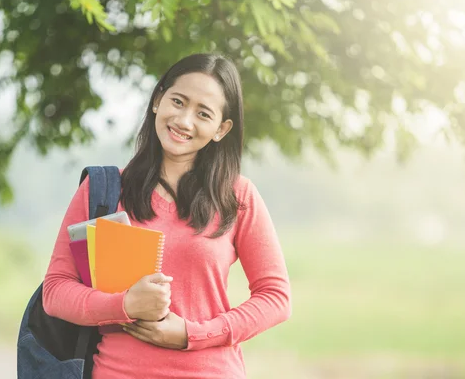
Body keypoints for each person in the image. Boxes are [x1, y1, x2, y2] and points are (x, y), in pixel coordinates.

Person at [43, 53, 292, 379]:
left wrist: (193, 334)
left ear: (221, 129)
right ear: (158, 99)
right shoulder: (102, 190)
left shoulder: (238, 196)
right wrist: (126, 305)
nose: (185, 121)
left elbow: (276, 298)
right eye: (178, 101)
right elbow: (56, 292)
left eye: (203, 113)